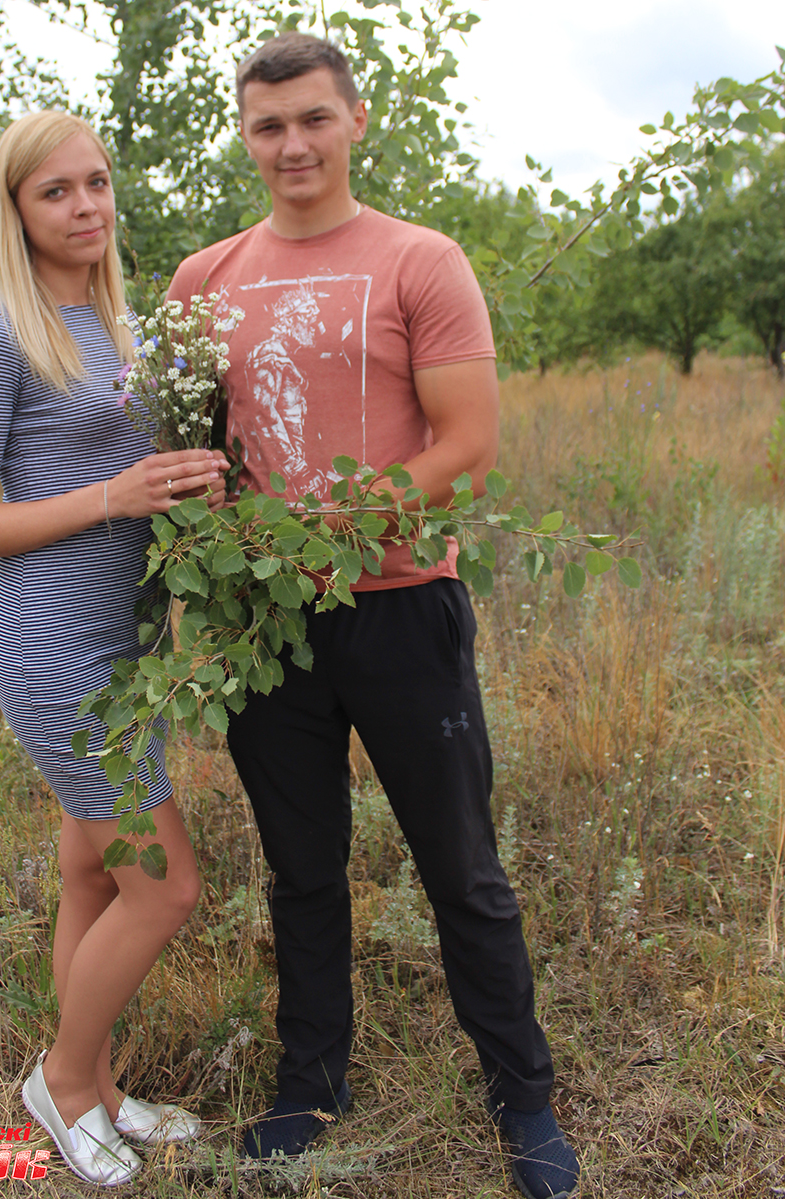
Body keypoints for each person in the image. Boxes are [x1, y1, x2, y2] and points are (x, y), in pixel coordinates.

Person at [167, 33, 579, 1199]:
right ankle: (309, 1084)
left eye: (312, 118)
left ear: (356, 119)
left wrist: (329, 530)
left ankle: (522, 1096)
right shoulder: (202, 280)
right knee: (300, 869)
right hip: (265, 627)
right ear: (245, 136)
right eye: (268, 125)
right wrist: (210, 531)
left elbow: (466, 447)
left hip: (400, 608)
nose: (291, 144)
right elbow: (190, 448)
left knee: (461, 866)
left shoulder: (420, 260)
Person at [0, 110, 230, 1187]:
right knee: (164, 884)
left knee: (90, 877)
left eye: (96, 182)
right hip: (54, 645)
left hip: (129, 646)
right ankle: (61, 1084)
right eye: (54, 190)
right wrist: (114, 494)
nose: (84, 205)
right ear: (16, 210)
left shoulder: (127, 328)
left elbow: (147, 482)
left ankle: (100, 1088)